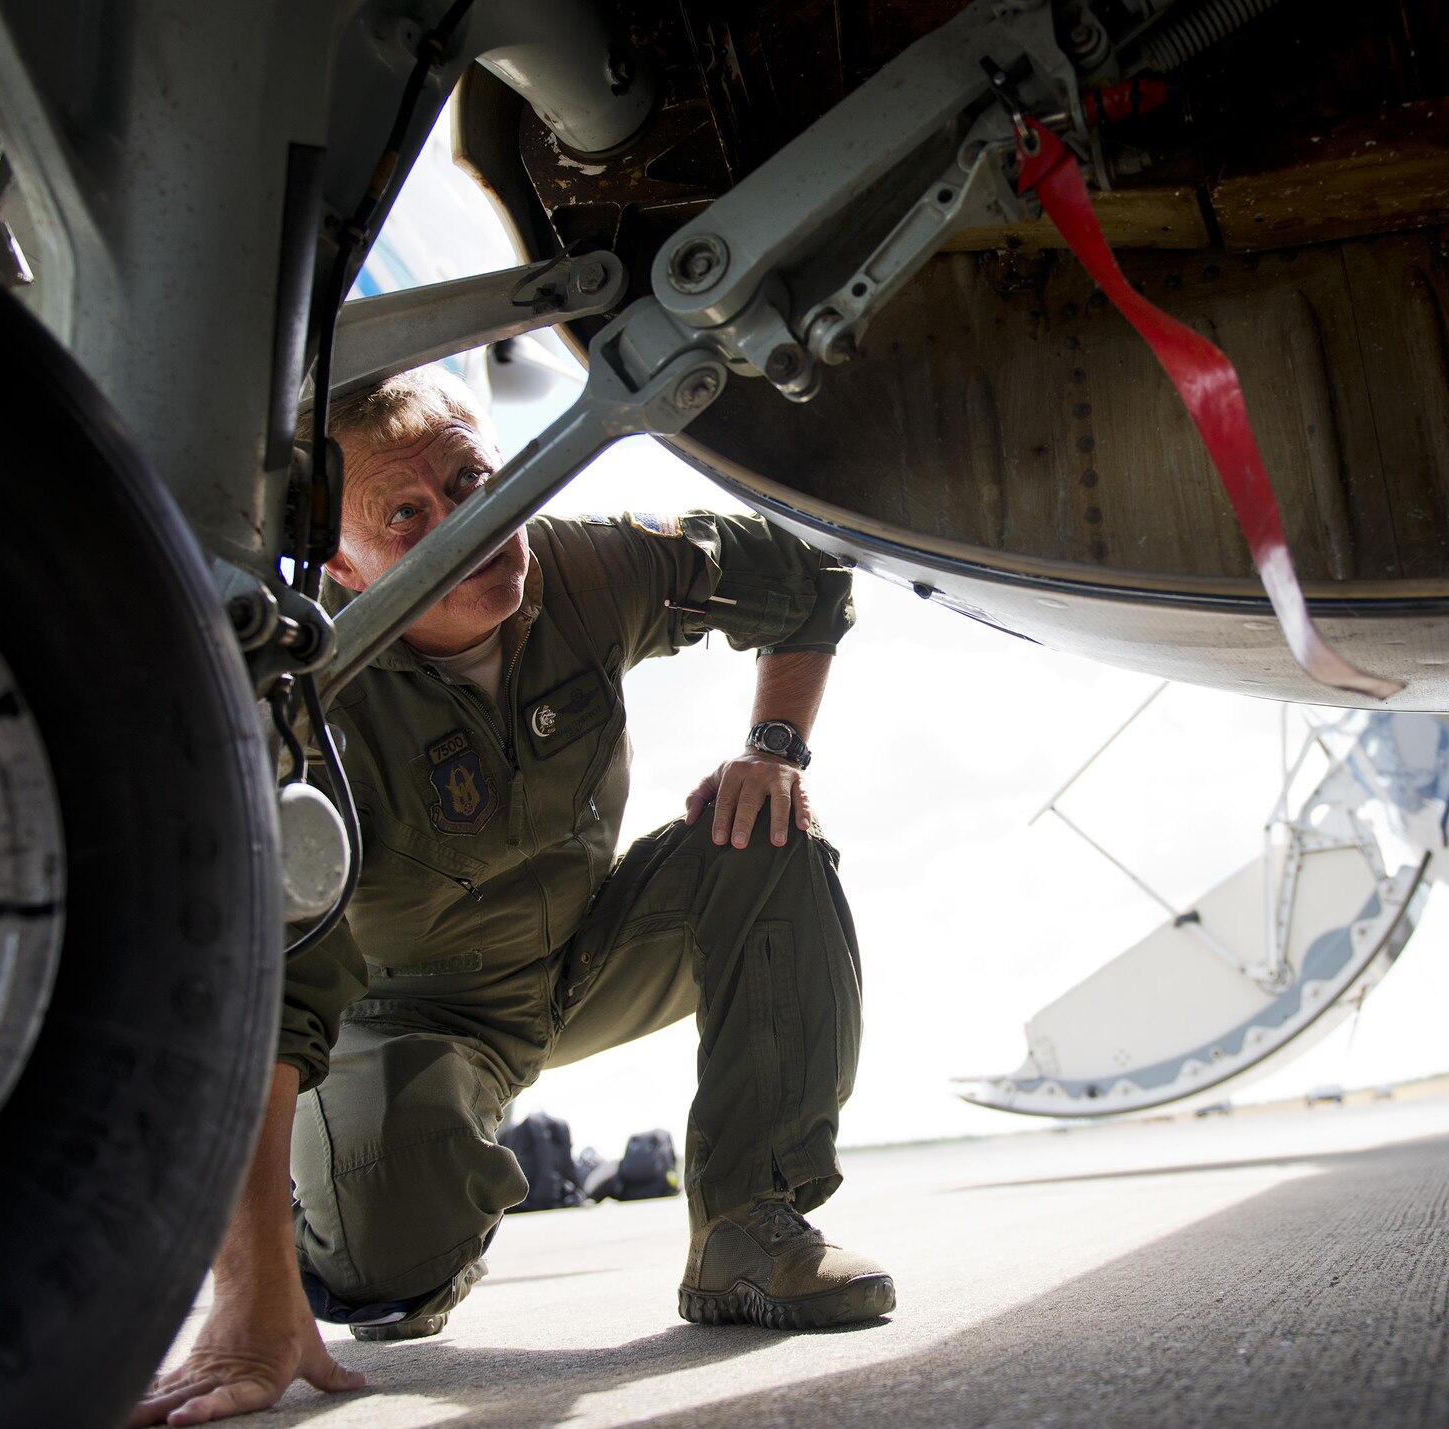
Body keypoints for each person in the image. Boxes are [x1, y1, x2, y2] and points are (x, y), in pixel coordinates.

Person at [134, 367, 889, 1426]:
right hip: (406, 1016)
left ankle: (750, 1224)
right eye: (408, 515)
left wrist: (772, 747)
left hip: (587, 957)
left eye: (474, 480)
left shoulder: (590, 568)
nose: (467, 525)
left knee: (768, 836)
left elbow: (807, 580)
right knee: (380, 1271)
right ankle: (388, 1223)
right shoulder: (308, 700)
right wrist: (246, 1294)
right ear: (339, 564)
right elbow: (261, 997)